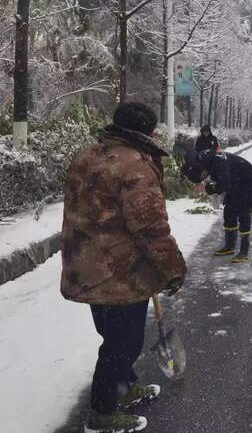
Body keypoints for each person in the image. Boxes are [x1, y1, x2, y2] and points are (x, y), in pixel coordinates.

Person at [61, 102, 187, 433]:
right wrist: (173, 268)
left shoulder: (89, 155)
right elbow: (150, 227)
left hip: (86, 264)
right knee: (123, 343)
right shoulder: (134, 166)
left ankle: (124, 387)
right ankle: (101, 413)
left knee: (112, 334)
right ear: (147, 131)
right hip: (120, 270)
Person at [182, 148, 252, 264]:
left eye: (202, 177)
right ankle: (230, 246)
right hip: (235, 184)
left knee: (242, 213)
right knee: (229, 212)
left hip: (248, 185)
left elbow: (223, 185)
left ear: (202, 169)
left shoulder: (218, 162)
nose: (205, 178)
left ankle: (244, 251)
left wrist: (207, 188)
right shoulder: (205, 160)